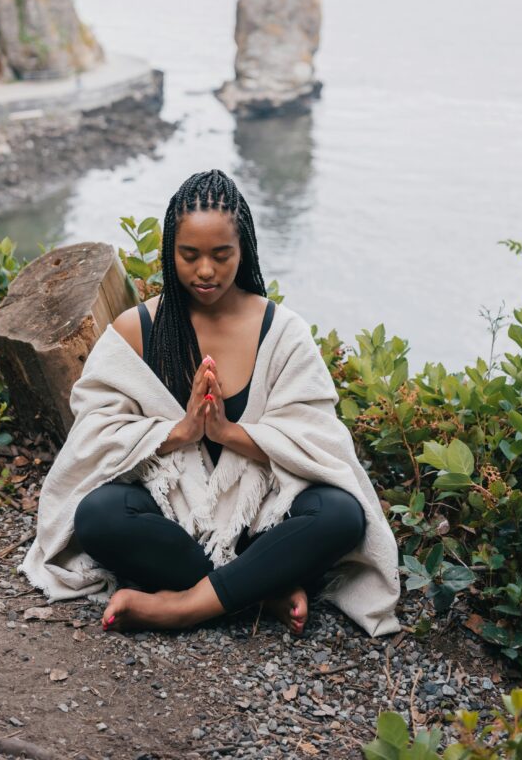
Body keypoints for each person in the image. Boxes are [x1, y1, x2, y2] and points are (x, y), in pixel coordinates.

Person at [20, 169, 400, 637]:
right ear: (169, 253)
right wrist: (179, 432)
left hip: (263, 517)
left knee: (342, 514)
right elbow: (93, 438)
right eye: (189, 255)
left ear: (245, 251)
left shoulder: (281, 333)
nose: (205, 271)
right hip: (175, 518)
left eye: (222, 255)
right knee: (98, 515)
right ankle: (265, 587)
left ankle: (182, 608)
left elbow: (320, 444)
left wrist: (227, 433)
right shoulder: (138, 329)